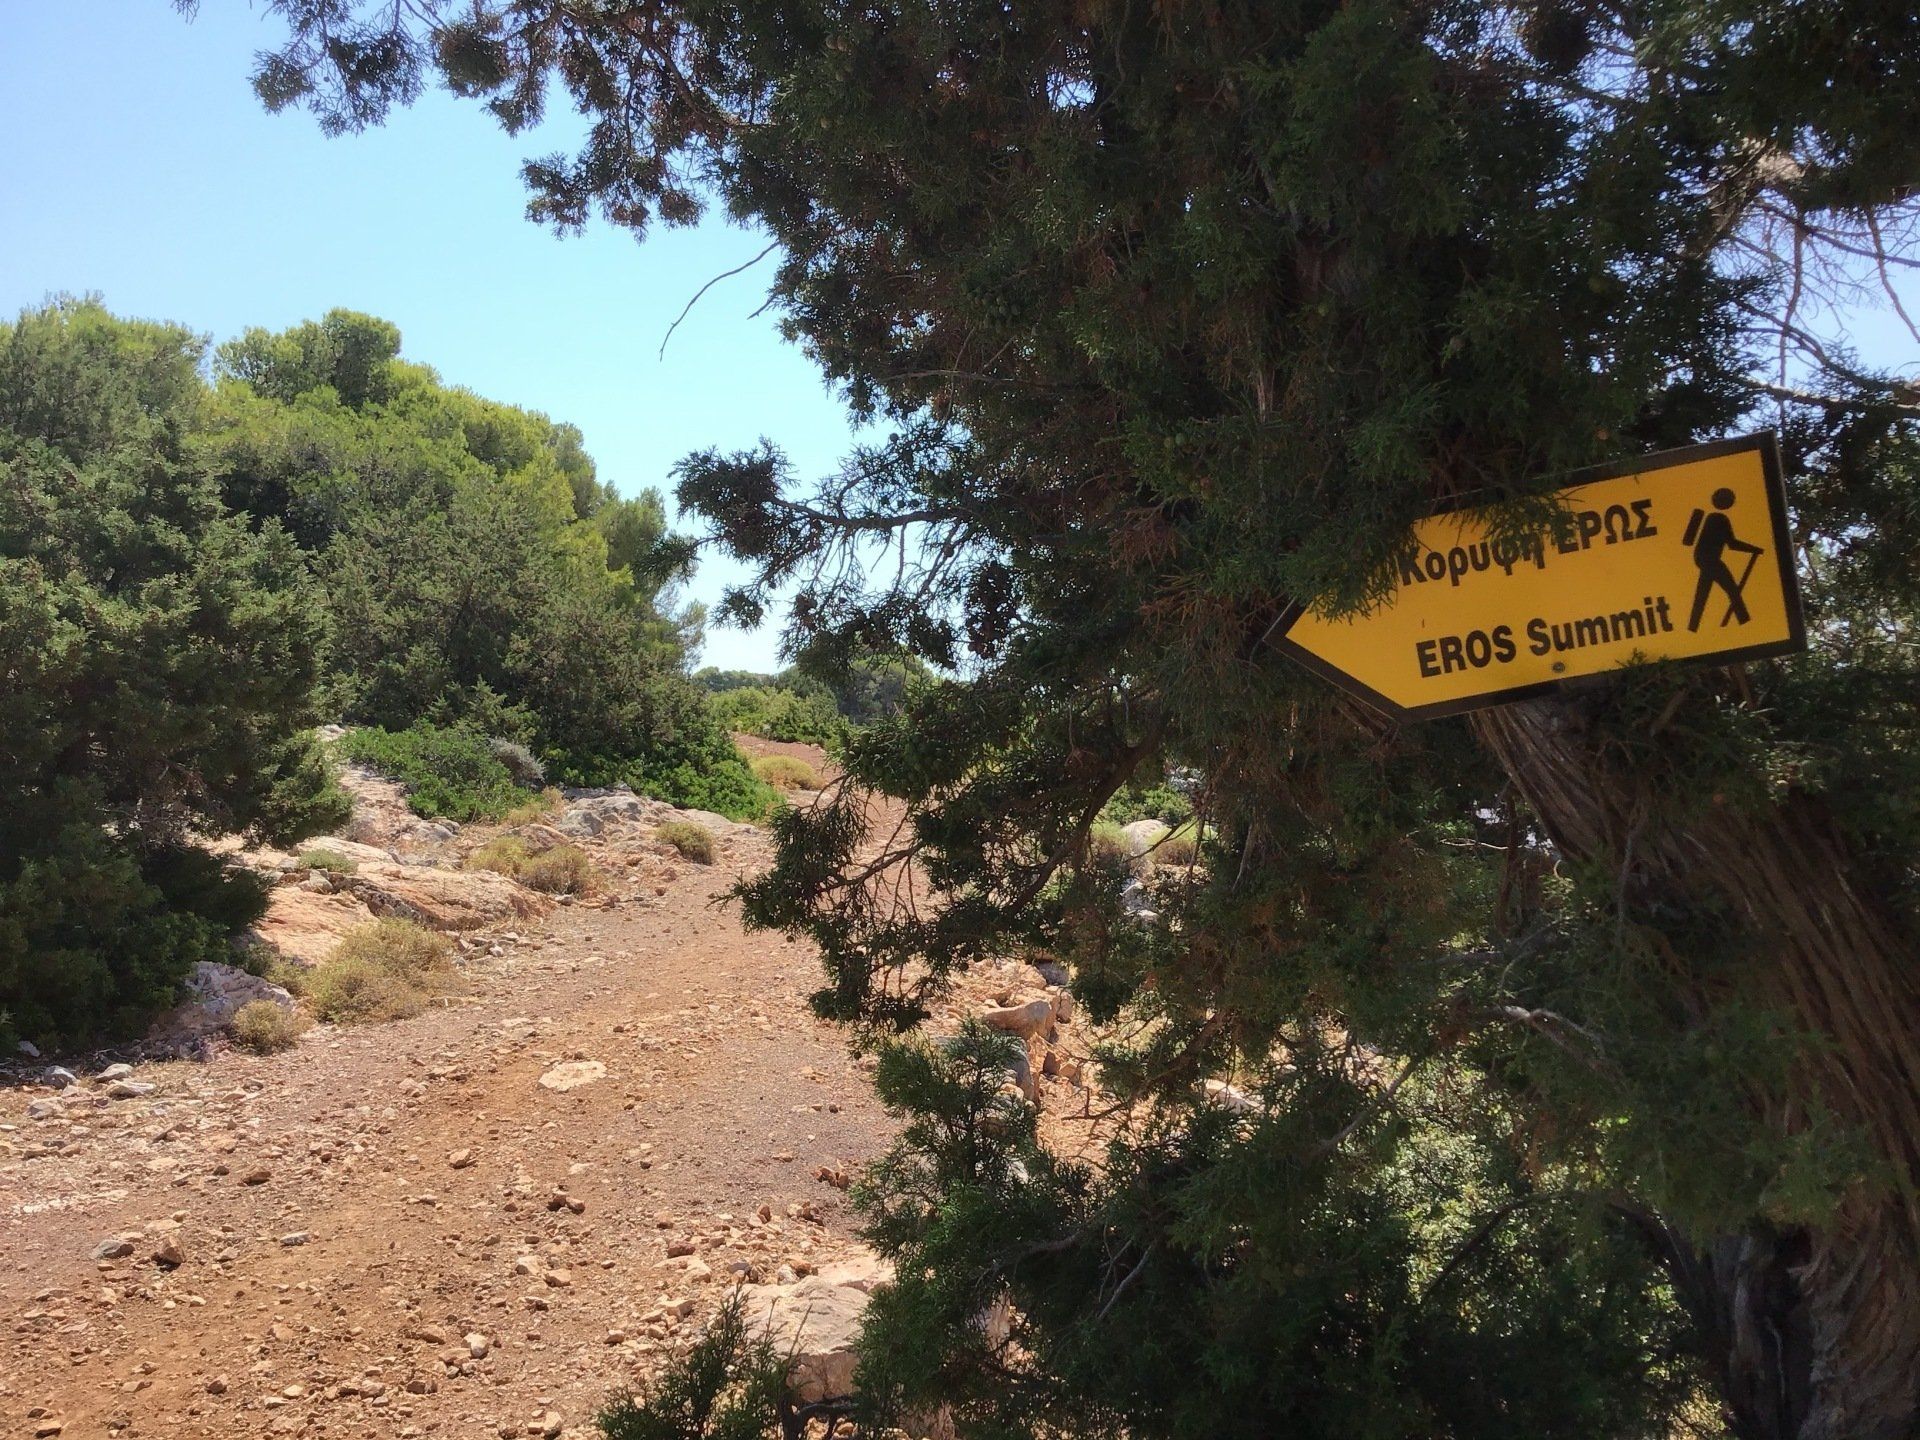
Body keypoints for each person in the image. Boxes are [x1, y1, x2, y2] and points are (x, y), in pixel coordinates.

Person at [1682, 487, 1762, 631]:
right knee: (1732, 589)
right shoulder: (1719, 518)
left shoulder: (1711, 516)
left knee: (1702, 594)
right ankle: (1745, 623)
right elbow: (1732, 544)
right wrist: (1755, 549)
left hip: (1702, 559)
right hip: (1709, 559)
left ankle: (1692, 627)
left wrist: (1754, 549)